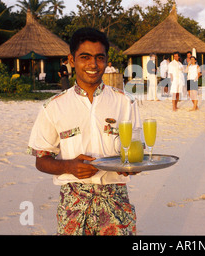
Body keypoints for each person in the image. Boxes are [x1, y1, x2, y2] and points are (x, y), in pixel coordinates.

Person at [27, 27, 140, 235]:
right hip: (73, 204)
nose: (93, 65)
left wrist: (130, 165)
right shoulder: (53, 107)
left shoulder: (125, 102)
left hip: (116, 200)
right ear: (71, 60)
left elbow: (135, 150)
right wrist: (69, 166)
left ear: (107, 60)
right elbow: (41, 159)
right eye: (85, 57)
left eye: (99, 57)